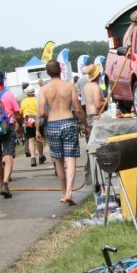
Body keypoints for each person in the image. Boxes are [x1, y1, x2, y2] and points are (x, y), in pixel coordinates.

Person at [38, 61, 87, 205]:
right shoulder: (69, 86)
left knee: (58, 160)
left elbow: (41, 112)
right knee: (70, 158)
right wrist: (85, 124)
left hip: (52, 124)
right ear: (60, 70)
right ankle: (70, 193)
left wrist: (51, 117)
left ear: (47, 73)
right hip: (68, 122)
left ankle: (63, 192)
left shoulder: (44, 89)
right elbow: (78, 109)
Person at [0, 69, 22, 198]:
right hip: (7, 127)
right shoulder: (8, 94)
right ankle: (5, 183)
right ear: (2, 81)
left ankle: (1, 184)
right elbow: (17, 113)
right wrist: (20, 127)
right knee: (8, 156)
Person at [20, 85, 44, 167]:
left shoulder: (23, 101)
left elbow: (21, 112)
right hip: (37, 120)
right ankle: (41, 156)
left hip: (28, 121)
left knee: (30, 140)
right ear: (34, 93)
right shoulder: (37, 100)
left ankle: (33, 157)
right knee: (38, 138)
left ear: (27, 93)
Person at [82, 64, 104, 139]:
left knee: (92, 140)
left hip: (89, 115)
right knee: (98, 140)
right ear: (98, 75)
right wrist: (106, 101)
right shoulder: (95, 87)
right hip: (96, 115)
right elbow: (98, 105)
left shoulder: (86, 86)